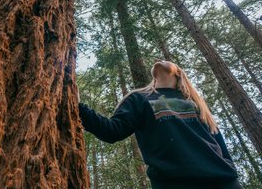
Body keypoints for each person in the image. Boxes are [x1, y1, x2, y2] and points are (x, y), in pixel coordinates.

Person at [78, 60, 242, 189]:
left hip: (223, 180)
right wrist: (77, 106)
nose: (161, 60)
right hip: (174, 183)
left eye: (166, 59)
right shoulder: (140, 99)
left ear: (178, 72)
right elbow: (111, 131)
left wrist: (230, 171)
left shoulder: (196, 103)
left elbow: (219, 143)